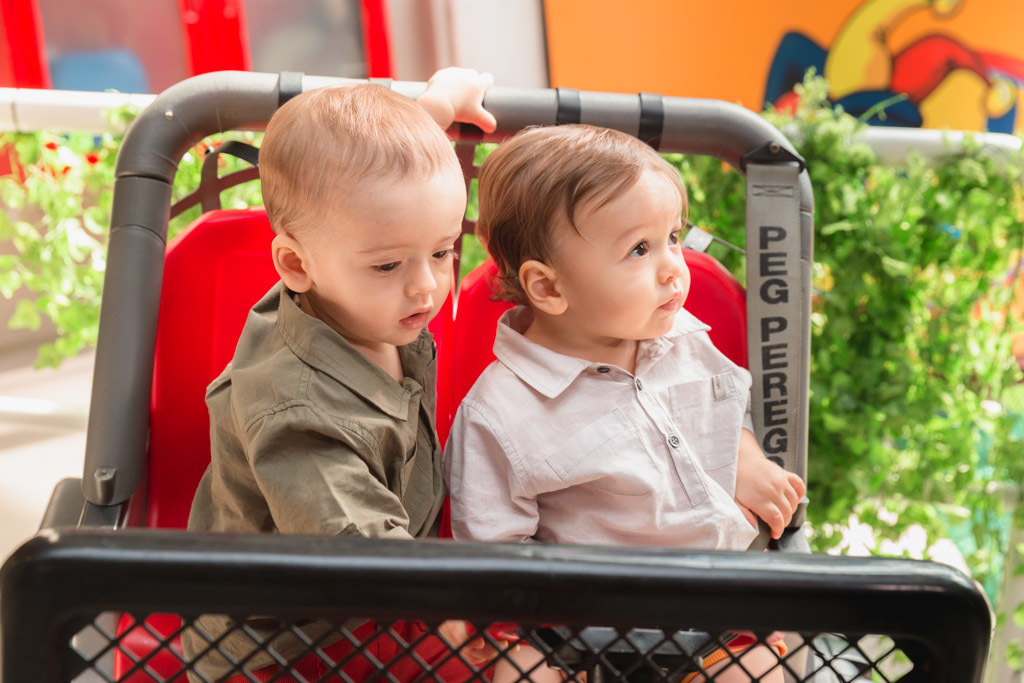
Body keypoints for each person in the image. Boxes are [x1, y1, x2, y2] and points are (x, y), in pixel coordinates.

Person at [444, 124, 807, 683]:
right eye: (640, 249)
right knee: (520, 668)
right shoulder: (501, 411)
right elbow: (491, 547)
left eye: (674, 238)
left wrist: (747, 462)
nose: (672, 267)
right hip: (574, 637)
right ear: (547, 288)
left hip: (716, 613)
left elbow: (720, 416)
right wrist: (501, 635)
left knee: (757, 669)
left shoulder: (684, 338)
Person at [182, 68, 500, 683]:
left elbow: (384, 179)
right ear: (295, 264)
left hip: (364, 616)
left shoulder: (359, 274)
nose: (426, 285)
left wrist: (436, 105)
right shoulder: (297, 412)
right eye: (387, 265)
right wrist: (452, 606)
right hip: (286, 649)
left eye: (441, 250)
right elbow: (362, 545)